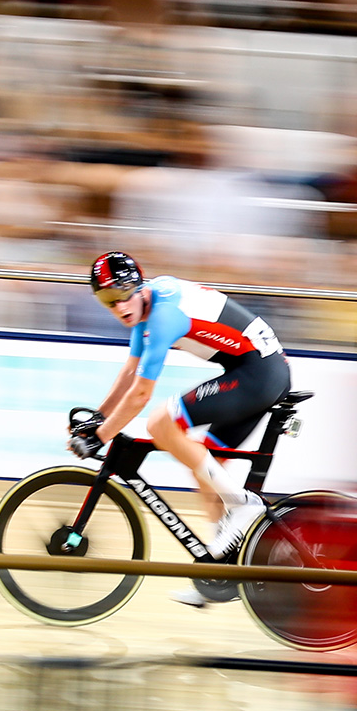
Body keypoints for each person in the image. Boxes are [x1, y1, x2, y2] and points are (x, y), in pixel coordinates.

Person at [76, 251, 289, 607]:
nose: (119, 305)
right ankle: (218, 573)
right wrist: (98, 419)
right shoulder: (144, 310)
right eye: (107, 300)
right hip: (251, 371)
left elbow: (142, 394)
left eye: (123, 292)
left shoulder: (162, 317)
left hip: (259, 374)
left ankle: (243, 506)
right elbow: (130, 374)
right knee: (207, 471)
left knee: (161, 421)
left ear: (139, 284)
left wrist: (101, 436)